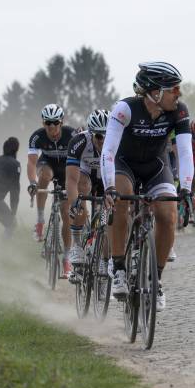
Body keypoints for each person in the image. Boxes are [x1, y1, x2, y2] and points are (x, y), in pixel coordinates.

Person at [101, 61, 193, 312]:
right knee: (121, 200)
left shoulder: (179, 111)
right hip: (124, 165)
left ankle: (156, 279)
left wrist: (186, 187)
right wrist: (109, 186)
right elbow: (108, 151)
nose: (179, 94)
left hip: (155, 166)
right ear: (154, 92)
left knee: (168, 215)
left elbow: (184, 153)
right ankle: (118, 266)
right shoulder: (125, 109)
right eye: (173, 89)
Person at [27, 104, 76, 274]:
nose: (52, 127)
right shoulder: (37, 137)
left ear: (62, 122)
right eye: (48, 123)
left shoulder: (72, 134)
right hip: (46, 164)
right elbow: (32, 163)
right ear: (43, 123)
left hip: (66, 170)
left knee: (66, 213)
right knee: (45, 176)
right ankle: (40, 221)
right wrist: (32, 182)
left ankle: (67, 258)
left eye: (55, 123)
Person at [66, 109, 109, 272]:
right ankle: (76, 245)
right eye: (99, 136)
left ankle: (105, 261)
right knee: (81, 190)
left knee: (108, 216)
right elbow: (71, 179)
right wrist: (74, 202)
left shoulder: (118, 140)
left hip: (106, 179)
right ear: (91, 134)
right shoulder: (79, 141)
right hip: (85, 176)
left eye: (106, 135)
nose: (103, 140)